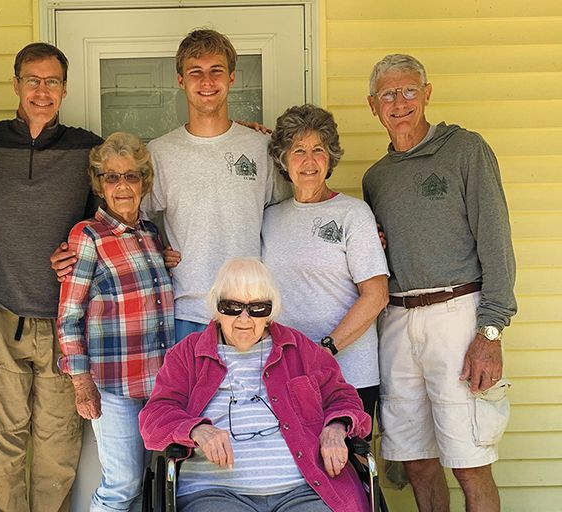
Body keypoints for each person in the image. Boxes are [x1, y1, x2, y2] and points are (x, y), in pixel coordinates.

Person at [52, 30, 290, 341]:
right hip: (184, 314)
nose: (206, 82)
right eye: (196, 72)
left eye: (216, 71)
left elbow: (290, 214)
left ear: (231, 77)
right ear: (181, 80)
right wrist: (79, 253)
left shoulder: (261, 148)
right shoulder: (161, 153)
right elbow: (128, 224)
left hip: (252, 311)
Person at [362, 54, 516, 512]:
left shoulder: (465, 149)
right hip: (395, 320)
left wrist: (490, 332)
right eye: (388, 94)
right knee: (417, 462)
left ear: (427, 93)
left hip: (458, 315)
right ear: (373, 105)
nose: (400, 102)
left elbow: (496, 240)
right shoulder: (376, 177)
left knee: (469, 461)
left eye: (409, 90)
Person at [0, 42, 103, 512]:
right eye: (33, 79)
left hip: (64, 326)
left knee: (57, 452)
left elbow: (114, 213)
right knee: (0, 451)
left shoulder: (88, 148)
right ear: (15, 84)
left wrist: (79, 249)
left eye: (52, 82)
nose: (42, 91)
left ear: (65, 89)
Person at [139, 258, 372, 512]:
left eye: (257, 308)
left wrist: (336, 427)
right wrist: (197, 430)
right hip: (215, 494)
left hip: (305, 490)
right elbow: (154, 418)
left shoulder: (299, 349)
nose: (244, 319)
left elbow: (342, 397)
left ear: (270, 312)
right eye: (232, 306)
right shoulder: (187, 355)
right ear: (217, 307)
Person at [57, 132, 175, 511]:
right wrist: (80, 382)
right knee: (121, 484)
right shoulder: (87, 236)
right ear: (100, 184)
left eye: (131, 176)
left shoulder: (152, 234)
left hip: (159, 384)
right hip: (113, 386)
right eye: (111, 177)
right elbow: (69, 316)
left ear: (144, 182)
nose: (122, 185)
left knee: (146, 483)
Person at [262, 104, 389, 423]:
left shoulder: (354, 214)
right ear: (282, 159)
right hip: (287, 376)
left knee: (348, 469)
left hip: (349, 375)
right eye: (298, 150)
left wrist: (325, 351)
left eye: (318, 149)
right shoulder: (269, 218)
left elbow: (376, 295)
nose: (308, 161)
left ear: (330, 157)